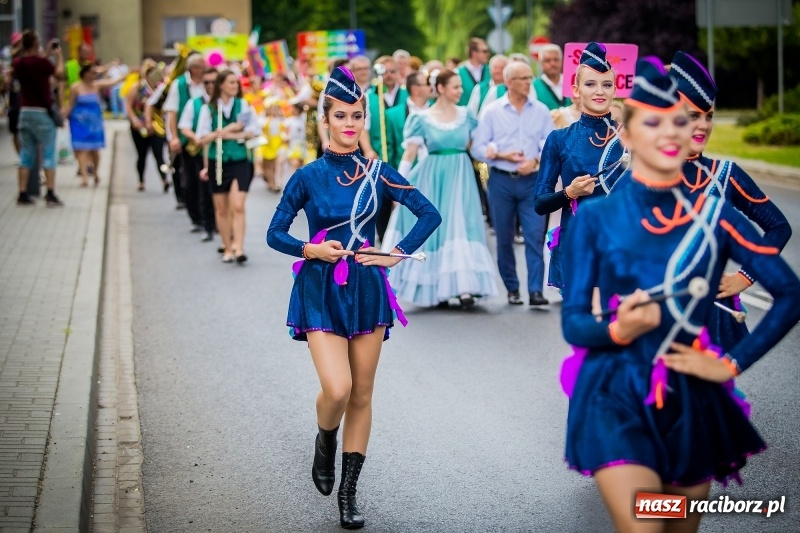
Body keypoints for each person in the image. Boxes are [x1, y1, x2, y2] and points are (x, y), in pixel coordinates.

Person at [559, 56, 800, 533]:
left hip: (690, 392)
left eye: (684, 120)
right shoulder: (597, 217)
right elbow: (573, 323)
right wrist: (616, 327)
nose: (677, 132)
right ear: (626, 135)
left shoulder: (716, 214)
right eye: (655, 122)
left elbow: (789, 292)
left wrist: (730, 363)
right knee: (641, 522)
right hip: (617, 387)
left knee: (675, 519)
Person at [266, 65, 441, 529]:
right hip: (319, 289)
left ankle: (349, 493)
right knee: (338, 388)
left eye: (357, 116)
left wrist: (396, 254)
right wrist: (310, 248)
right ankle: (325, 439)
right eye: (341, 115)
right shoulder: (307, 176)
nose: (349, 124)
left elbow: (428, 213)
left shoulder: (381, 172)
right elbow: (274, 233)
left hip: (367, 289)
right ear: (325, 120)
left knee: (361, 393)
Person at [669, 51, 792, 353]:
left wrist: (744, 277)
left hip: (710, 313)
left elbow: (778, 227)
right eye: (693, 115)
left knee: (710, 397)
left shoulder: (725, 175)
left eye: (709, 116)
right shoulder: (644, 176)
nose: (703, 125)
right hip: (658, 310)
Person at [383, 69, 497, 308]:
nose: (461, 91)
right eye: (456, 87)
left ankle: (464, 287)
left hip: (461, 175)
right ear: (441, 88)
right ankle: (436, 287)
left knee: (463, 226)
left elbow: (475, 147)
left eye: (460, 86)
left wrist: (495, 152)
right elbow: (410, 153)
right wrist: (398, 188)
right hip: (432, 176)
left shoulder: (466, 115)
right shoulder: (422, 118)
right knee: (436, 230)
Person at [535, 43, 628, 291]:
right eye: (590, 84)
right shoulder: (559, 139)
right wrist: (569, 193)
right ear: (576, 90)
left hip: (622, 244)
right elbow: (539, 203)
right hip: (578, 244)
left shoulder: (631, 138)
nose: (600, 91)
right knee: (585, 328)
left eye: (607, 84)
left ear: (615, 89)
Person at [471, 61, 553, 306]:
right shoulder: (492, 111)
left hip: (533, 182)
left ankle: (536, 290)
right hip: (501, 181)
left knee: (534, 235)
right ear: (508, 82)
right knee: (504, 237)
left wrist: (536, 160)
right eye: (523, 78)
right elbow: (477, 147)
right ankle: (512, 288)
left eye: (530, 77)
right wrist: (500, 155)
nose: (529, 82)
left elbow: (550, 145)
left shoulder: (541, 111)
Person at [197, 70, 260, 263]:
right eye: (231, 82)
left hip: (240, 161)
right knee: (222, 209)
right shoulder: (209, 109)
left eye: (236, 82)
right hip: (218, 162)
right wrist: (230, 129)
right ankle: (227, 248)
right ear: (221, 85)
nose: (235, 86)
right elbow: (201, 139)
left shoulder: (243, 106)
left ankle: (239, 247)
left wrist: (226, 134)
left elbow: (253, 132)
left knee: (238, 205)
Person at [13, 30, 64, 206]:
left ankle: (22, 193)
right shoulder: (43, 63)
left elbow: (32, 62)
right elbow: (60, 74)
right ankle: (50, 193)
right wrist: (58, 56)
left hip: (25, 112)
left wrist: (46, 54)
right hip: (42, 113)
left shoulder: (18, 63)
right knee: (49, 153)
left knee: (26, 154)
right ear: (35, 45)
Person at [64, 63, 122, 186]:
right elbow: (70, 104)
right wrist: (63, 118)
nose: (95, 75)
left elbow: (113, 82)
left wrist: (127, 74)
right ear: (85, 73)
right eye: (93, 72)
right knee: (81, 150)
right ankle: (84, 177)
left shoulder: (97, 85)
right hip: (79, 123)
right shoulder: (76, 87)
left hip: (94, 124)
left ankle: (95, 173)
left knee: (95, 150)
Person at [179, 67, 219, 243]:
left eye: (213, 81)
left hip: (222, 153)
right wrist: (195, 137)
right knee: (198, 187)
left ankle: (218, 223)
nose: (210, 85)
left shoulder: (226, 102)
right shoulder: (194, 103)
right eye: (207, 82)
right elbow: (184, 125)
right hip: (199, 151)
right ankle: (204, 223)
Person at [125, 59, 169, 192]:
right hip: (140, 126)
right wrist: (134, 120)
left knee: (159, 155)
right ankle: (141, 180)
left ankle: (164, 180)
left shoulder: (160, 87)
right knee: (142, 155)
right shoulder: (137, 87)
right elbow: (128, 105)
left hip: (157, 126)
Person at [385, 70, 432, 170]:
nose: (431, 87)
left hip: (433, 172)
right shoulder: (393, 115)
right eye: (427, 83)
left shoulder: (437, 111)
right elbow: (389, 150)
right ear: (415, 89)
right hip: (405, 175)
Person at [467, 54, 507, 118]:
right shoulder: (480, 88)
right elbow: (472, 112)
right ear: (490, 69)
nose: (498, 71)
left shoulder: (511, 89)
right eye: (495, 68)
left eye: (502, 68)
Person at [533, 44, 572, 111]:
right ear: (541, 63)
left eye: (556, 60)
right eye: (548, 60)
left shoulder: (572, 83)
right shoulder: (534, 86)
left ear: (561, 61)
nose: (552, 64)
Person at [455, 38, 489, 107]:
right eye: (484, 51)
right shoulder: (457, 72)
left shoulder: (490, 71)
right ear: (474, 53)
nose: (487, 54)